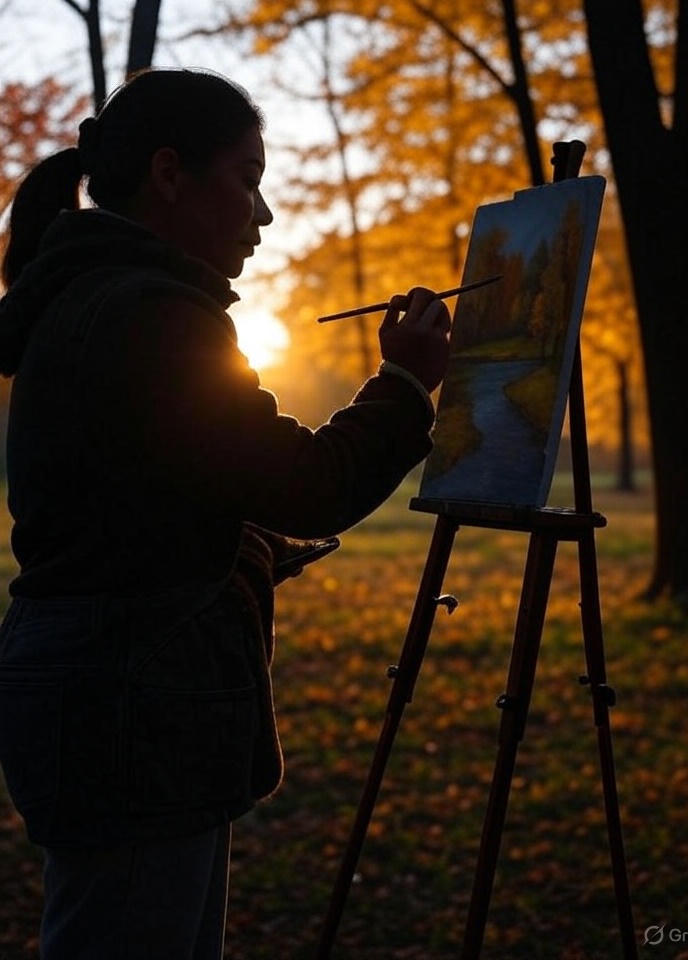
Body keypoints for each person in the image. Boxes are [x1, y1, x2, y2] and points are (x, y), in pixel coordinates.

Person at [0, 68, 450, 958]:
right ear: (170, 174)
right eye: (247, 180)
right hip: (135, 711)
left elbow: (142, 504)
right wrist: (402, 383)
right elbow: (305, 482)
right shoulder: (154, 316)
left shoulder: (90, 300)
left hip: (106, 697)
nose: (264, 214)